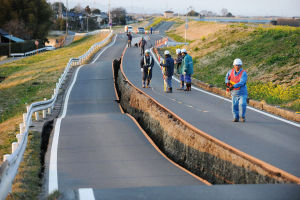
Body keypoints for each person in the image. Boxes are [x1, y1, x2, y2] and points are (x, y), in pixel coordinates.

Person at [225, 58, 248, 122]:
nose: (237, 66)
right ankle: (236, 117)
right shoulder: (230, 72)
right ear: (234, 65)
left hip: (242, 92)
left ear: (241, 66)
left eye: (239, 65)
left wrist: (233, 86)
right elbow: (227, 78)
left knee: (242, 104)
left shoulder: (243, 73)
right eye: (236, 65)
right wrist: (227, 83)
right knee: (234, 106)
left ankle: (242, 116)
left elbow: (242, 82)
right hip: (234, 93)